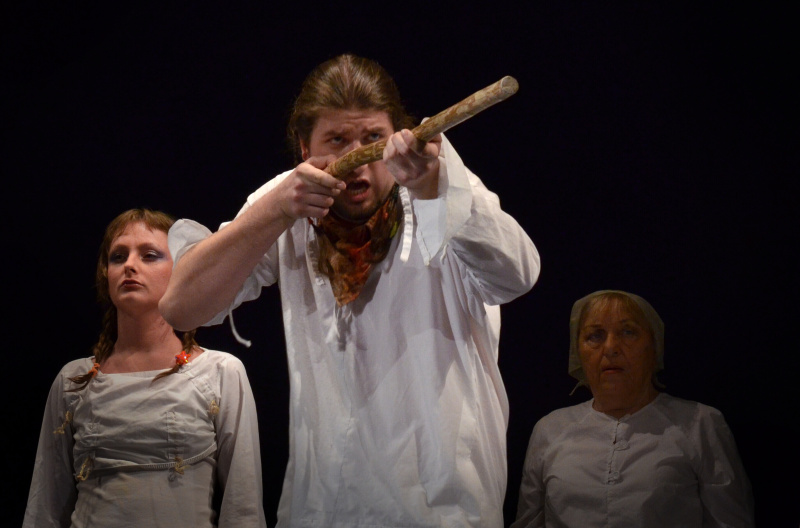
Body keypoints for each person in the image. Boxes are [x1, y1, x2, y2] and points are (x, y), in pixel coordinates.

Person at [159, 54, 541, 527]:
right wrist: (275, 210)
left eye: (373, 138)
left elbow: (517, 276)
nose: (358, 160)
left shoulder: (442, 186)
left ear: (398, 135)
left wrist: (434, 186)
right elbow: (182, 308)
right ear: (305, 148)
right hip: (326, 508)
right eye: (337, 141)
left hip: (443, 509)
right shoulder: (289, 200)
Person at [23, 208, 267, 528]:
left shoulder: (220, 372)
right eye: (118, 257)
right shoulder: (74, 381)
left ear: (181, 269)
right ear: (106, 275)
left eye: (149, 255)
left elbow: (244, 509)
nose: (129, 265)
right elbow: (44, 510)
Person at [511, 290, 755, 528]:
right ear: (578, 352)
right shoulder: (550, 429)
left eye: (628, 332)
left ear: (654, 345)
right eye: (595, 336)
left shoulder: (699, 423)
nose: (610, 347)